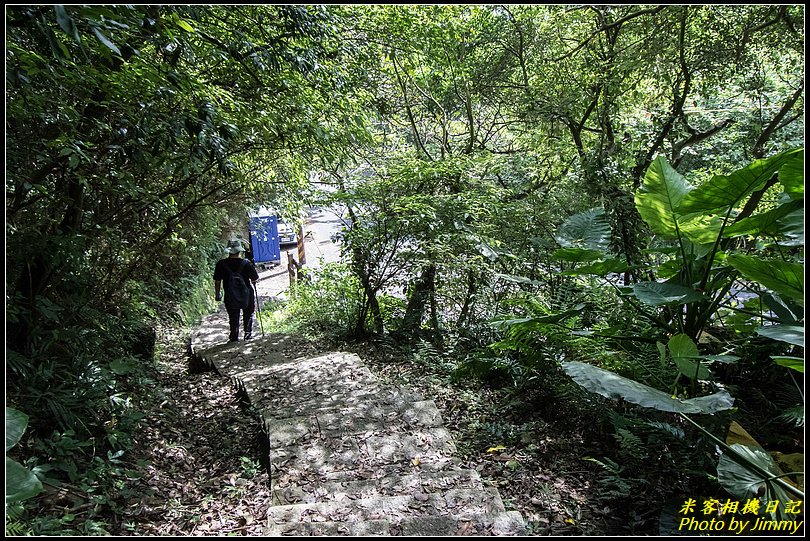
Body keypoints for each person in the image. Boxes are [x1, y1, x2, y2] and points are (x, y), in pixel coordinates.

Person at [214, 239, 260, 342]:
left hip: (230, 295)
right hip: (247, 294)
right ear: (240, 251)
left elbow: (217, 281)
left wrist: (217, 294)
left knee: (233, 316)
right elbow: (255, 279)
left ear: (229, 251)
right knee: (248, 313)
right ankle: (247, 335)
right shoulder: (246, 263)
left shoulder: (221, 264)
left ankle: (234, 336)